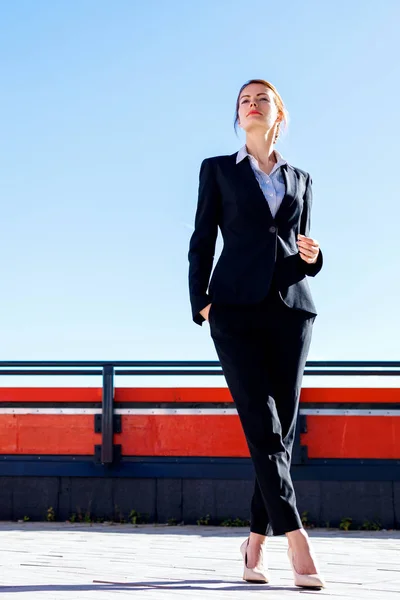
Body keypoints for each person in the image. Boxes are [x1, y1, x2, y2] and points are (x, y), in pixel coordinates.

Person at [188, 78, 326, 589]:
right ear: (238, 116)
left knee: (282, 432)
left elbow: (299, 251)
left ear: (278, 115)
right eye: (244, 100)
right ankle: (296, 539)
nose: (251, 104)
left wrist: (315, 259)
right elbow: (201, 238)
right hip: (234, 311)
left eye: (261, 98)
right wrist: (198, 300)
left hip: (291, 313)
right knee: (262, 423)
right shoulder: (218, 171)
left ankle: (254, 544)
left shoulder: (302, 178)